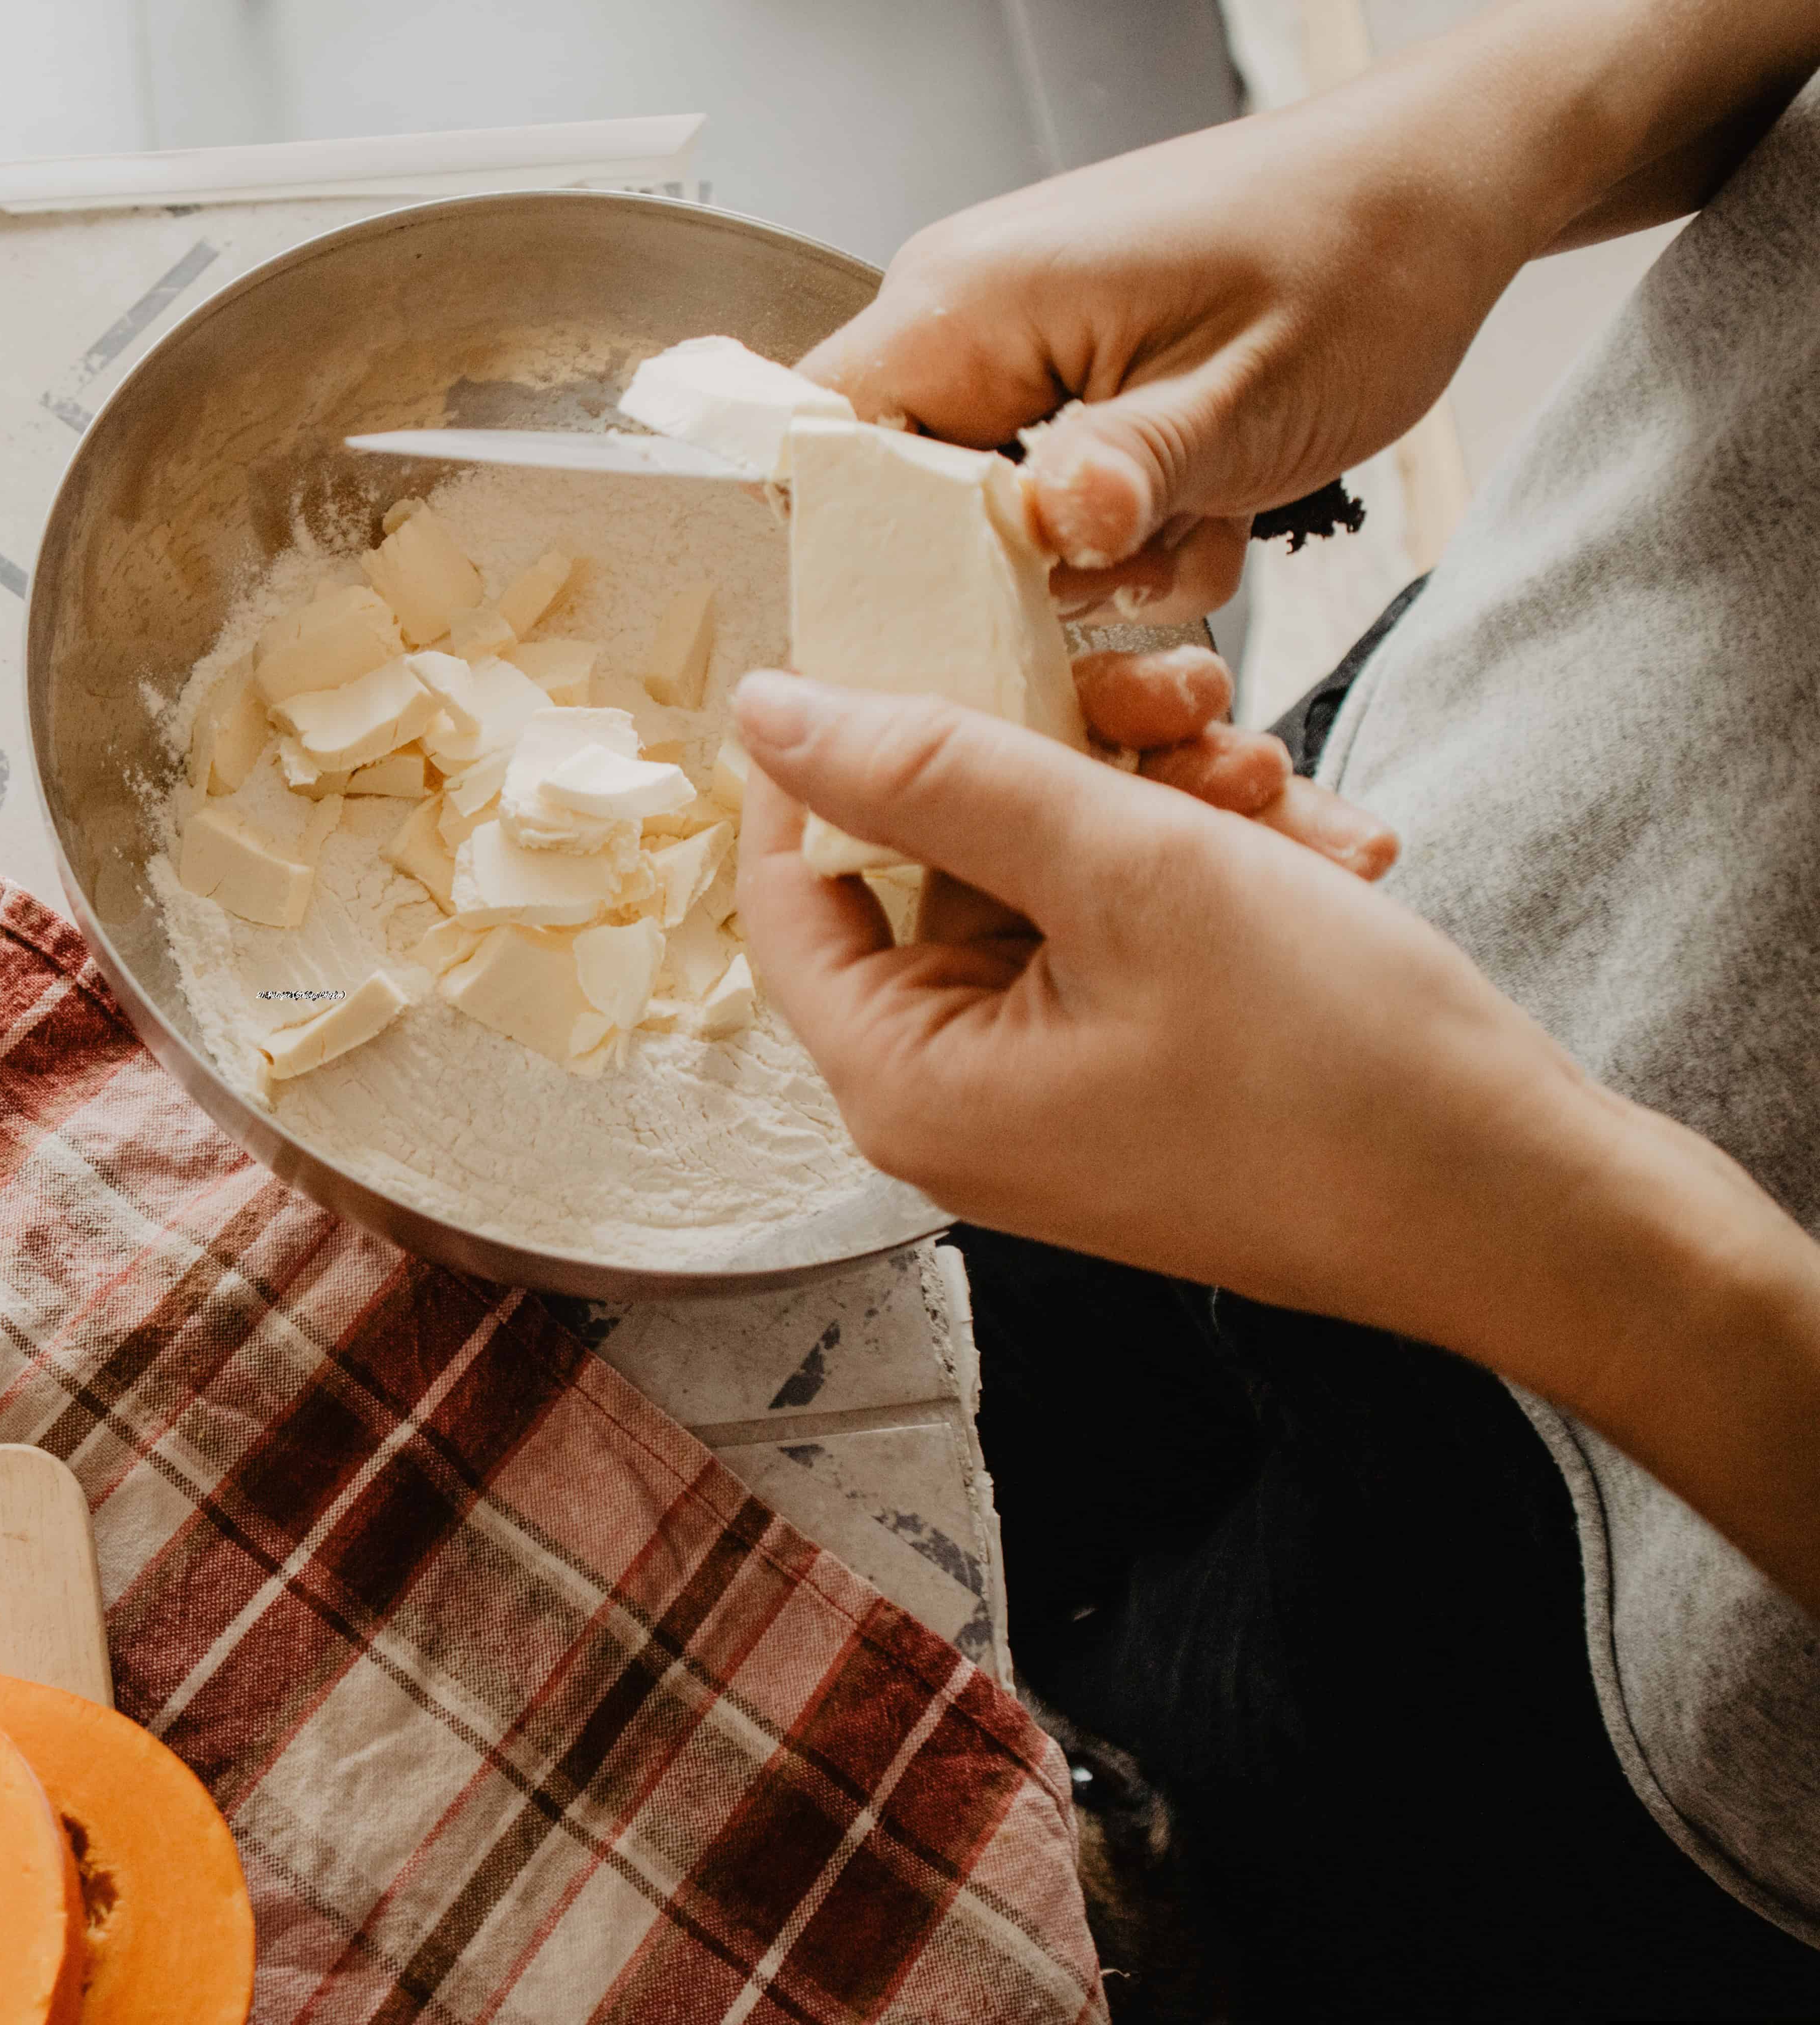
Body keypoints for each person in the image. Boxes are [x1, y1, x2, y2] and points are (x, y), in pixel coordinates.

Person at [730, 0, 1820, 2013]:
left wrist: (1579, 1245)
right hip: (1403, 859)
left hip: (1674, 1688)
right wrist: (1493, 140)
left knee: (1228, 1873)